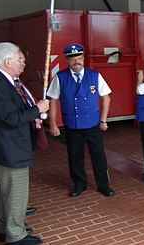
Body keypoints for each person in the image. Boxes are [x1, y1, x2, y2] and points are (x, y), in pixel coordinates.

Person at [0, 42, 49, 245]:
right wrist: (36, 110)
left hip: (6, 147)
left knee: (7, 191)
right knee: (17, 192)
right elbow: (9, 118)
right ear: (8, 61)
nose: (24, 62)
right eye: (20, 59)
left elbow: (10, 114)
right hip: (8, 148)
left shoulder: (3, 80)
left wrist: (32, 114)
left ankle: (6, 228)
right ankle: (15, 235)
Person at [48, 43, 114, 197]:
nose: (76, 62)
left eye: (79, 58)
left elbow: (106, 98)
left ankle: (104, 185)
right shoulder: (60, 77)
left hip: (92, 125)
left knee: (99, 156)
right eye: (73, 59)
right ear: (67, 60)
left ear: (83, 58)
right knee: (75, 156)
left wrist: (103, 120)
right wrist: (52, 123)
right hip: (72, 125)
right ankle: (79, 184)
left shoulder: (94, 75)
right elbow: (52, 100)